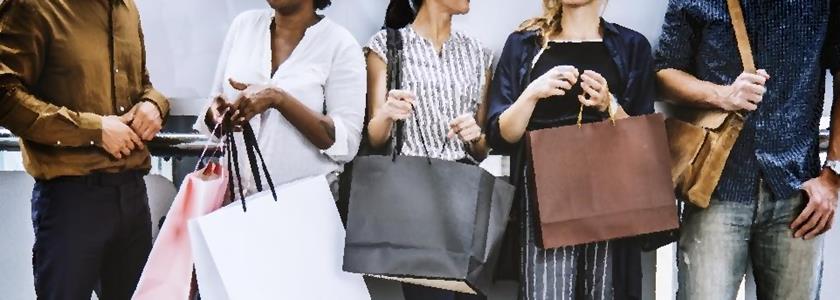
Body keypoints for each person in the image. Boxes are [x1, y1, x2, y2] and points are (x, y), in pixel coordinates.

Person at [655, 0, 840, 299]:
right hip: (714, 192)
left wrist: (834, 173)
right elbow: (663, 74)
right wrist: (724, 95)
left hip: (798, 198)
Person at [485, 0, 656, 299]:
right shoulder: (525, 44)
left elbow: (644, 141)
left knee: (604, 290)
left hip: (610, 189)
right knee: (546, 292)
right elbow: (500, 136)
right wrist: (533, 93)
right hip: (544, 189)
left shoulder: (631, 46)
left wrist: (609, 104)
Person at [0, 0, 169, 298]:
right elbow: (5, 95)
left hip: (132, 198)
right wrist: (94, 130)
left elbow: (143, 84)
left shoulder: (126, 8)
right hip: (70, 202)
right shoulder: (33, 5)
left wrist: (154, 104)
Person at [364, 0, 493, 299]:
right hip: (415, 198)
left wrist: (475, 135)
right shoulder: (386, 46)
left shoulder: (479, 53)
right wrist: (387, 113)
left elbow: (482, 150)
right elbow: (376, 138)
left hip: (466, 197)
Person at [196, 0, 366, 197]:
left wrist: (278, 99)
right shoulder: (244, 25)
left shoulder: (340, 44)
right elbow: (213, 106)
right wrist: (216, 115)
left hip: (302, 210)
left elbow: (346, 145)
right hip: (233, 206)